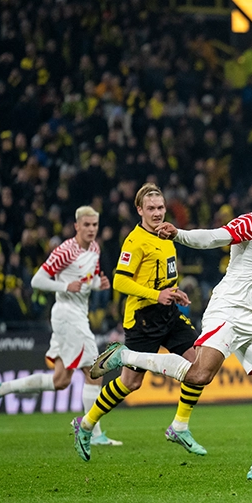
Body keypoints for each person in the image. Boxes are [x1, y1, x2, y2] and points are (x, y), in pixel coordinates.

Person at [90, 166, 252, 480]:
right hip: (228, 309)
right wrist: (181, 235)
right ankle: (125, 356)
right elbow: (215, 238)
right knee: (199, 375)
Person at [70, 183, 201, 462]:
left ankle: (180, 426)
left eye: (161, 208)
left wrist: (174, 292)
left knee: (199, 366)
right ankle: (86, 424)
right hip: (143, 319)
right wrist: (157, 294)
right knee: (130, 383)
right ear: (139, 210)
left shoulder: (167, 235)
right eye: (151, 208)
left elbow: (163, 275)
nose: (157, 213)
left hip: (169, 314)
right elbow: (119, 280)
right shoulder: (135, 241)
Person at [0, 206, 120, 447]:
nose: (91, 229)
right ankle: (93, 433)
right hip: (67, 316)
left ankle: (0, 389)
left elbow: (88, 278)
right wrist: (65, 287)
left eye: (94, 225)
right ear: (76, 226)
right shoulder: (65, 250)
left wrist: (98, 283)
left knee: (61, 380)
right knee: (94, 370)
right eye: (86, 225)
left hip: (78, 315)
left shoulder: (96, 249)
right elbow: (37, 280)